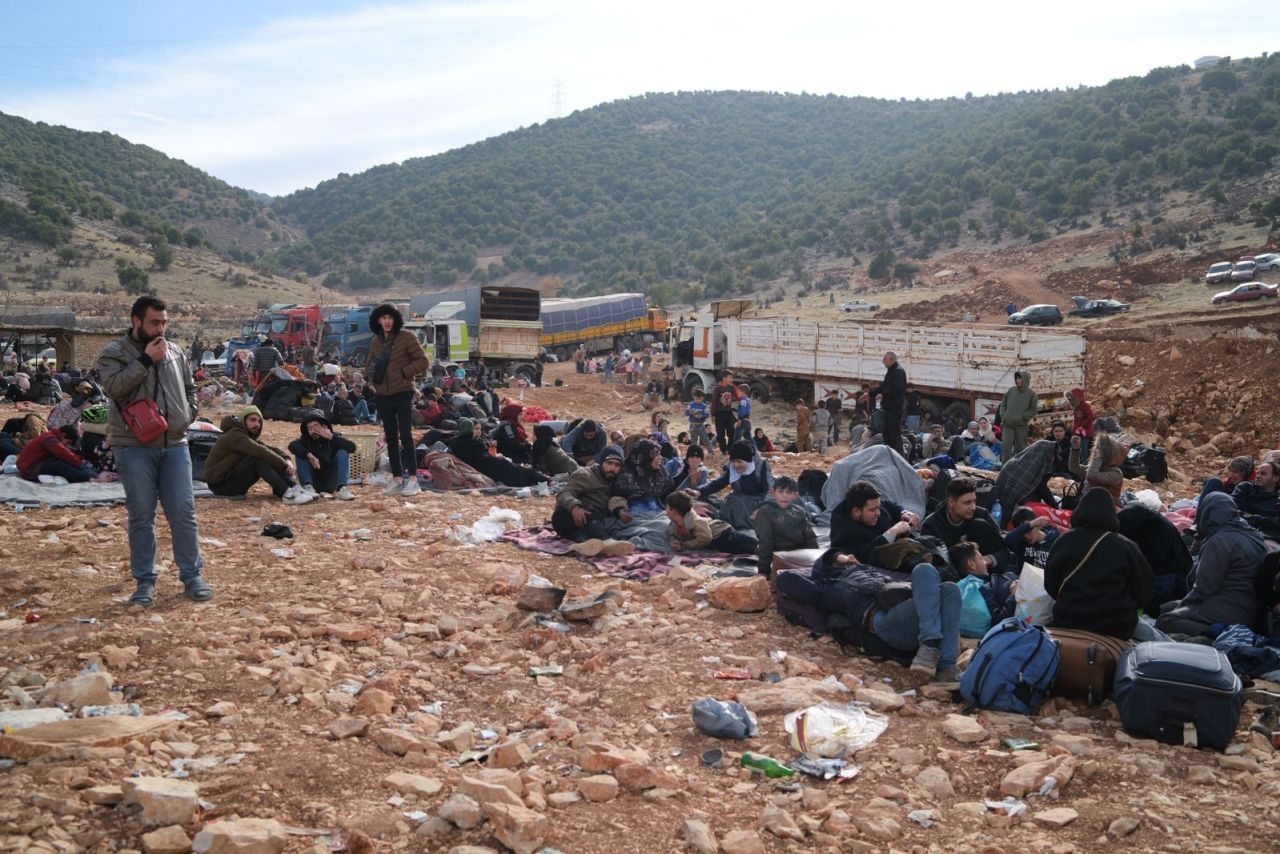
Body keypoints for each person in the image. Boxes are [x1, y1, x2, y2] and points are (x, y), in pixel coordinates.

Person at [98, 296, 212, 606]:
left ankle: (192, 576)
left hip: (175, 443)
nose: (161, 328)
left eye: (164, 322)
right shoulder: (115, 353)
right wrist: (146, 360)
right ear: (136, 321)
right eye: (154, 322)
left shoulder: (175, 350)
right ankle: (145, 582)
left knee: (184, 513)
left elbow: (190, 389)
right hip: (134, 446)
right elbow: (113, 388)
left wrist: (188, 414)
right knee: (141, 515)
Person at [814, 549, 961, 682]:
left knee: (950, 588)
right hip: (885, 625)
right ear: (830, 564)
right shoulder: (832, 587)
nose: (851, 556)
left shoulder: (871, 572)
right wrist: (842, 559)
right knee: (924, 569)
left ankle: (946, 666)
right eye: (844, 556)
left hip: (911, 620)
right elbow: (791, 580)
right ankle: (929, 645)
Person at [1046, 488, 1154, 639]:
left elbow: (1050, 585)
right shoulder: (1126, 546)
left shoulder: (1063, 541)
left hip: (1067, 622)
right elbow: (1144, 593)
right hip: (1115, 629)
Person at [1156, 492, 1268, 636]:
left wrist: (1184, 605)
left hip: (1230, 607)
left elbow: (1204, 587)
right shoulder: (1253, 535)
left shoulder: (1219, 540)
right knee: (1164, 608)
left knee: (1165, 620)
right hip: (1248, 606)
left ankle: (1215, 632)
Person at [365, 303, 430, 497]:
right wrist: (372, 379)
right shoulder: (375, 341)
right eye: (383, 318)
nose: (387, 321)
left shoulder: (407, 337)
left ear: (395, 320)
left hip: (403, 391)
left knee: (406, 436)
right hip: (383, 394)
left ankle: (412, 480)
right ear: (378, 320)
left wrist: (403, 373)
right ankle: (397, 479)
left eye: (390, 318)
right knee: (390, 438)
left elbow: (423, 361)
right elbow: (368, 364)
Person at [203, 406, 314, 504]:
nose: (257, 424)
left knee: (266, 456)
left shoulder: (245, 435)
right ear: (243, 421)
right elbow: (260, 451)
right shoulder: (235, 435)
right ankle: (287, 494)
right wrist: (284, 466)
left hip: (230, 480)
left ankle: (294, 488)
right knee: (257, 459)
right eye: (252, 420)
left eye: (259, 421)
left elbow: (268, 448)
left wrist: (286, 459)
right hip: (220, 486)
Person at [922, 477, 1010, 571]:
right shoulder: (931, 526)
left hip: (986, 573)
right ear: (951, 502)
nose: (973, 507)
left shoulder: (982, 516)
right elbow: (929, 563)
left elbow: (1005, 552)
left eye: (974, 501)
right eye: (967, 503)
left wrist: (987, 560)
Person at [829, 480, 920, 564]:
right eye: (873, 510)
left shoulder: (869, 504)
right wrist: (892, 532)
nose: (878, 513)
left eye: (878, 508)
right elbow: (863, 555)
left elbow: (888, 505)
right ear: (856, 511)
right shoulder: (845, 531)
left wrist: (903, 512)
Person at [552, 445, 632, 542]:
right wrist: (575, 507)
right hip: (571, 517)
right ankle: (606, 541)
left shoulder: (618, 481)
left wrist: (620, 510)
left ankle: (585, 542)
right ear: (602, 462)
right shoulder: (585, 475)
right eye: (609, 463)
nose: (612, 468)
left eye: (617, 465)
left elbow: (617, 499)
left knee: (586, 533)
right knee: (573, 513)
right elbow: (564, 493)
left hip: (595, 522)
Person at [446, 418, 548, 488]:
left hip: (485, 467)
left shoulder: (455, 443)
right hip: (489, 468)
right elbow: (482, 458)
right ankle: (548, 481)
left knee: (520, 471)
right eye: (475, 429)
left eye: (479, 429)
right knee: (522, 472)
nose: (478, 432)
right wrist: (495, 456)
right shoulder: (472, 443)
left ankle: (544, 480)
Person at [698, 440, 774, 529]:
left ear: (748, 460)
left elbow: (770, 491)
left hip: (758, 503)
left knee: (736, 502)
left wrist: (761, 509)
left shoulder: (761, 466)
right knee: (707, 499)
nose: (736, 465)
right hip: (739, 501)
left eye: (739, 461)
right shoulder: (732, 468)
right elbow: (719, 482)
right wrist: (700, 491)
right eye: (733, 461)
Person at [752, 476, 818, 576]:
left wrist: (816, 561)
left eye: (789, 492)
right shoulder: (766, 511)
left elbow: (810, 537)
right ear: (773, 493)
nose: (784, 496)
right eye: (781, 491)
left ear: (795, 495)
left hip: (800, 556)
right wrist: (763, 570)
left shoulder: (799, 511)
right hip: (780, 557)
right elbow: (765, 542)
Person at [288, 411, 357, 500]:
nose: (313, 430)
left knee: (343, 452)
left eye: (316, 426)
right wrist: (309, 455)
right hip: (312, 481)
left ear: (324, 426)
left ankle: (342, 489)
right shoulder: (306, 440)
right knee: (301, 453)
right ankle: (308, 488)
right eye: (309, 428)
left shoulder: (334, 438)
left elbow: (352, 447)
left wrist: (331, 437)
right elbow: (292, 445)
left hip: (331, 482)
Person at [666, 492, 758, 555]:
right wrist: (675, 542)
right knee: (739, 552)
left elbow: (706, 538)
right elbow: (673, 535)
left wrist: (686, 544)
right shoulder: (674, 525)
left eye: (667, 507)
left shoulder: (695, 521)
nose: (665, 510)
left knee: (750, 544)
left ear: (672, 510)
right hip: (717, 544)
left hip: (724, 534)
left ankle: (765, 549)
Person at [994, 439, 1061, 521]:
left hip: (1013, 497)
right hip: (1009, 501)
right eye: (1052, 456)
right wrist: (1056, 509)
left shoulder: (1028, 460)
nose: (1053, 459)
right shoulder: (1030, 465)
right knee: (1037, 511)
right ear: (1043, 454)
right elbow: (1042, 489)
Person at [612, 438, 676, 513]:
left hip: (660, 512)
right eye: (657, 454)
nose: (661, 457)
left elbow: (671, 493)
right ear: (646, 456)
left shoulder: (661, 472)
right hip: (633, 515)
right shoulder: (625, 474)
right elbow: (617, 498)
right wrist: (620, 510)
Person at [17, 424, 95, 483]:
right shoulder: (49, 438)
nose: (66, 445)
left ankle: (88, 475)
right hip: (30, 468)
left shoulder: (52, 437)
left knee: (65, 463)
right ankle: (90, 478)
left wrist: (80, 460)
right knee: (59, 464)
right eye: (67, 442)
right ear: (63, 434)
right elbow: (63, 453)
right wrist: (80, 465)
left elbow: (66, 452)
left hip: (36, 464)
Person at [868, 352, 906, 459]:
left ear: (891, 359)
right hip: (888, 408)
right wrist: (871, 393)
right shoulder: (892, 371)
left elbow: (895, 389)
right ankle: (889, 457)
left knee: (894, 435)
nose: (883, 362)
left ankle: (899, 459)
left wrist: (882, 395)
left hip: (894, 408)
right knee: (886, 434)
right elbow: (884, 386)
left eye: (884, 359)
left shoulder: (898, 371)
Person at [999, 370, 1037, 462]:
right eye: (1016, 378)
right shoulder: (1011, 390)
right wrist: (1003, 414)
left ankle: (1019, 469)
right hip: (1008, 425)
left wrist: (1024, 417)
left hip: (1021, 426)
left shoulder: (1031, 394)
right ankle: (1005, 469)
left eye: (1020, 378)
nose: (1017, 380)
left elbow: (1033, 410)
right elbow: (1003, 403)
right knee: (1006, 448)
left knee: (1021, 450)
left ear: (1026, 379)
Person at [1085, 431, 1128, 502]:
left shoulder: (1116, 474)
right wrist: (1075, 449)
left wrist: (1098, 458)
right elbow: (1075, 469)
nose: (1096, 450)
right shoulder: (1099, 468)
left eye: (1099, 449)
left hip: (1106, 506)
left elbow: (1091, 476)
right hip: (1090, 503)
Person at [710, 371, 737, 454]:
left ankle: (730, 449)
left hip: (729, 413)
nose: (731, 379)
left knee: (731, 432)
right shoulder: (718, 388)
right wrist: (713, 414)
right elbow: (714, 401)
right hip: (719, 414)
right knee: (720, 434)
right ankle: (723, 450)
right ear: (724, 378)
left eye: (732, 377)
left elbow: (738, 395)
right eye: (730, 377)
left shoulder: (732, 387)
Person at [1065, 388, 1095, 459]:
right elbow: (1076, 421)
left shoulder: (1085, 406)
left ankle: (1082, 466)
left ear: (1077, 398)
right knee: (1076, 450)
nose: (1071, 402)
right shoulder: (1076, 408)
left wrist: (1082, 426)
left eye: (1072, 399)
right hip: (1077, 433)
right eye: (1069, 400)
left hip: (1085, 433)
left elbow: (1091, 416)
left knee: (1083, 452)